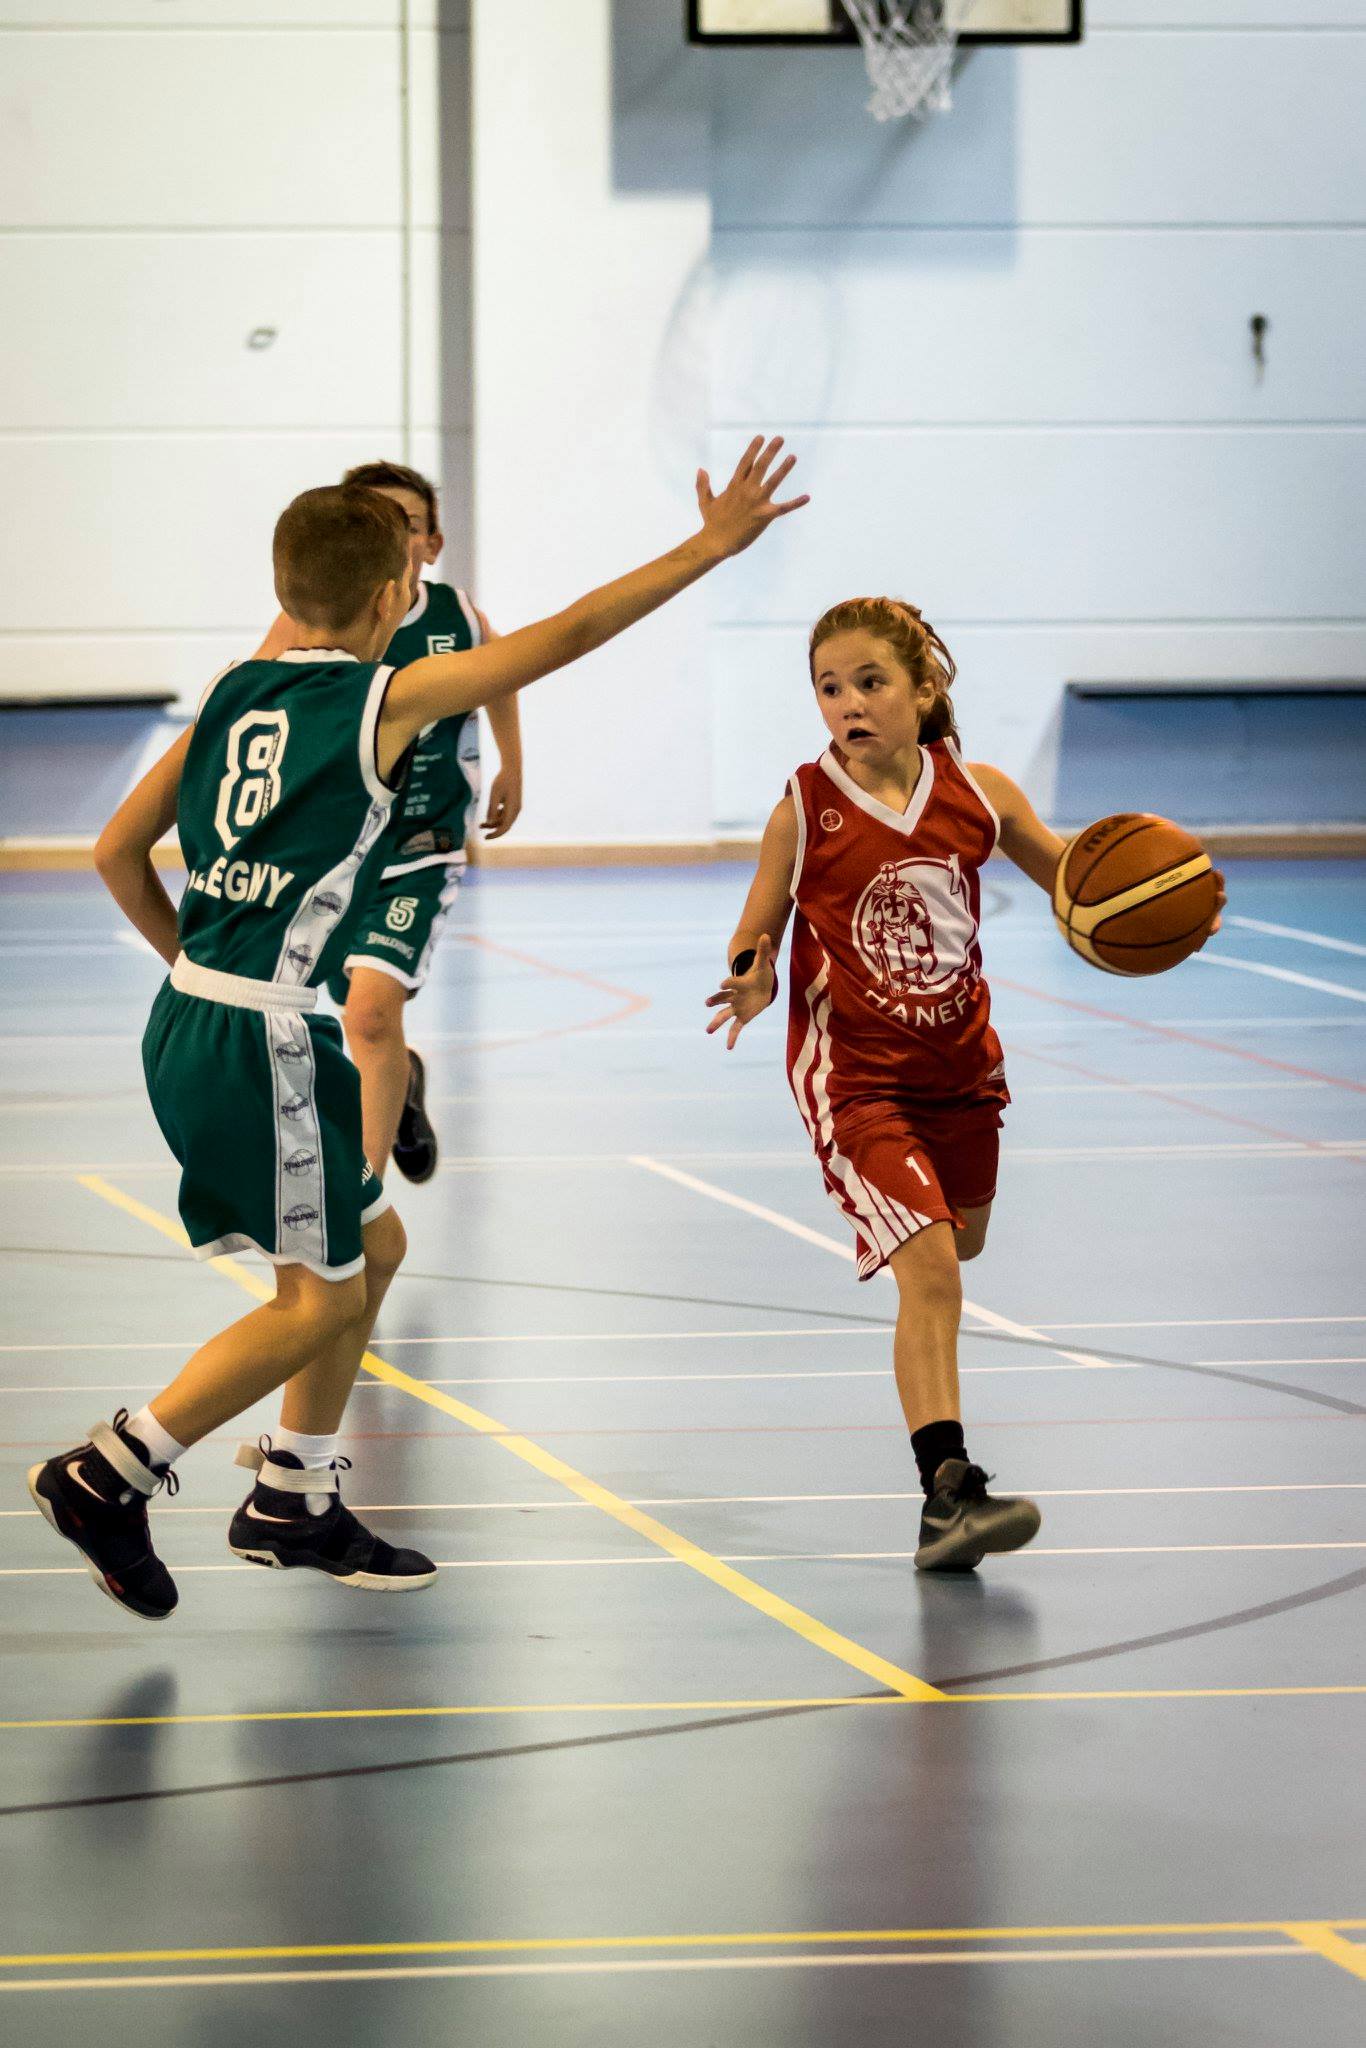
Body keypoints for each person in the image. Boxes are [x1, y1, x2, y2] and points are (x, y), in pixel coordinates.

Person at [28, 438, 807, 1620]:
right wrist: (707, 546)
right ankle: (109, 1472)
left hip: (194, 1016)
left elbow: (114, 852)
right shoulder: (383, 698)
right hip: (260, 1039)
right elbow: (568, 635)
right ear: (398, 592)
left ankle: (291, 1495)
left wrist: (200, 968)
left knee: (373, 1248)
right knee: (317, 1299)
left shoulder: (233, 689)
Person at [705, 595, 1223, 1572]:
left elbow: (1076, 881)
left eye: (870, 681)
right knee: (933, 1269)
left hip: (961, 1070)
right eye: (829, 687)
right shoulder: (803, 808)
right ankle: (947, 1492)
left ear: (922, 689)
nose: (848, 703)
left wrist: (1168, 900)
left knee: (962, 1240)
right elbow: (756, 924)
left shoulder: (979, 795)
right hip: (855, 1082)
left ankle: (945, 1472)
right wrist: (751, 971)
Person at [333, 459, 522, 1185]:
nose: (391, 534)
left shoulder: (458, 617)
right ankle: (403, 1079)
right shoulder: (324, 619)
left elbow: (504, 672)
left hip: (424, 842)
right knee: (355, 1019)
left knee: (369, 1016)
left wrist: (511, 764)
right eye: (371, 520)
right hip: (338, 851)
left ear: (432, 543)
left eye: (406, 523)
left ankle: (363, 1200)